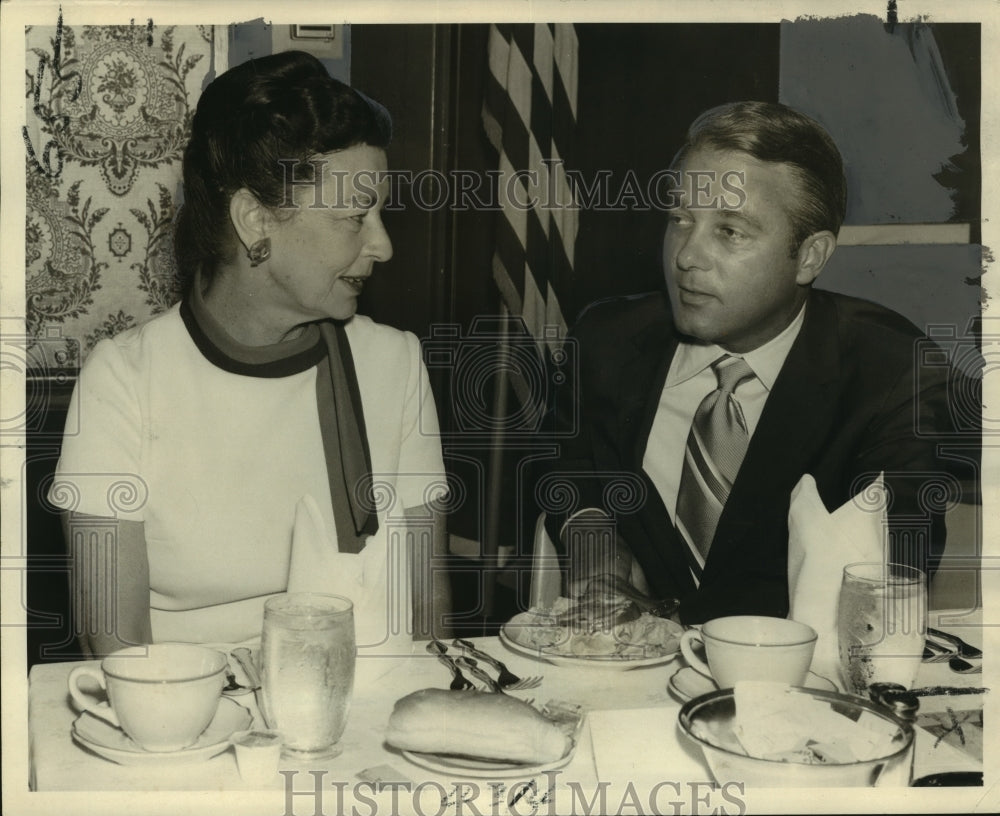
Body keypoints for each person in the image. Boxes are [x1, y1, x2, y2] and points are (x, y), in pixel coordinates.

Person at [50, 51, 451, 655]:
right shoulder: (123, 381)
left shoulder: (394, 364)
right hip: (187, 723)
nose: (383, 245)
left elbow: (428, 628)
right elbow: (118, 653)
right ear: (255, 220)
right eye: (353, 217)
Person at [544, 100, 960, 625]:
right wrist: (593, 543)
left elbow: (892, 572)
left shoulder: (893, 371)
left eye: (730, 231)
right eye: (680, 219)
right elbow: (569, 464)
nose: (686, 256)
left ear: (810, 255)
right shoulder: (604, 339)